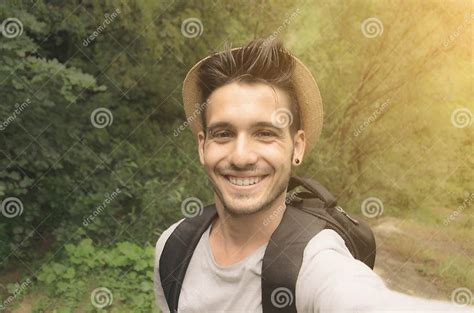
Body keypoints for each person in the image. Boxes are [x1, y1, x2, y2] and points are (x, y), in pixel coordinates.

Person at [154, 38, 473, 312]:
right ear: (202, 146)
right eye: (223, 133)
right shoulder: (173, 247)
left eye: (265, 133)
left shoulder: (314, 261)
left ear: (298, 146)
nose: (241, 156)